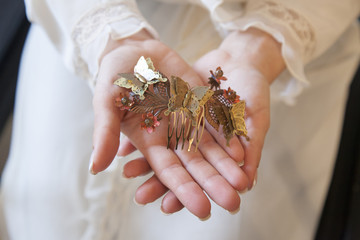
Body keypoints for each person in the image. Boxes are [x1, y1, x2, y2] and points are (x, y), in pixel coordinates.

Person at [0, 0, 359, 239]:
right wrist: (111, 37)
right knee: (48, 208)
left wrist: (260, 46)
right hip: (91, 22)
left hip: (286, 47)